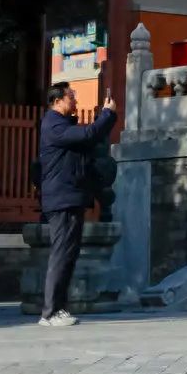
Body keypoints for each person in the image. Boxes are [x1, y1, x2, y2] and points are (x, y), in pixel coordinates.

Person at [37, 81, 118, 328]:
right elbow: (88, 134)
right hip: (62, 199)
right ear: (58, 100)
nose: (75, 101)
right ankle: (50, 312)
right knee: (61, 254)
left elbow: (90, 138)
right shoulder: (53, 124)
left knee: (68, 254)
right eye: (71, 96)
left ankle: (59, 308)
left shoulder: (62, 126)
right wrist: (108, 114)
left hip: (70, 197)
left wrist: (105, 119)